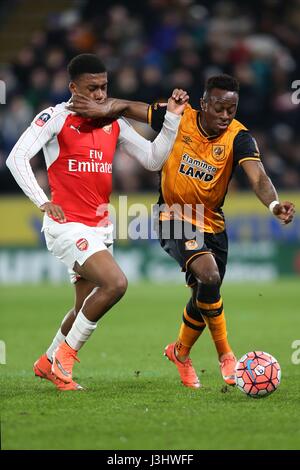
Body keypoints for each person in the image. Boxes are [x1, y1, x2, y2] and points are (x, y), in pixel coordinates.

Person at [68, 73, 295, 389]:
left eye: (231, 109)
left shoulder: (239, 137)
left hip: (213, 224)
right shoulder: (178, 116)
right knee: (209, 275)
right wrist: (100, 106)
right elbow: (131, 107)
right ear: (204, 103)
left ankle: (180, 352)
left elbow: (258, 178)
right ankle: (226, 356)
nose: (225, 116)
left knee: (205, 295)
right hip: (173, 215)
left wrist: (273, 206)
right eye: (219, 108)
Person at [6, 53, 189, 391]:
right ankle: (64, 359)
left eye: (105, 87)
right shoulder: (55, 118)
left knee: (83, 308)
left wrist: (173, 120)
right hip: (67, 225)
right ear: (73, 87)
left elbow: (152, 159)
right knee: (116, 284)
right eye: (93, 88)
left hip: (100, 226)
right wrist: (43, 201)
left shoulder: (114, 122)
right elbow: (16, 157)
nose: (102, 95)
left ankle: (47, 361)